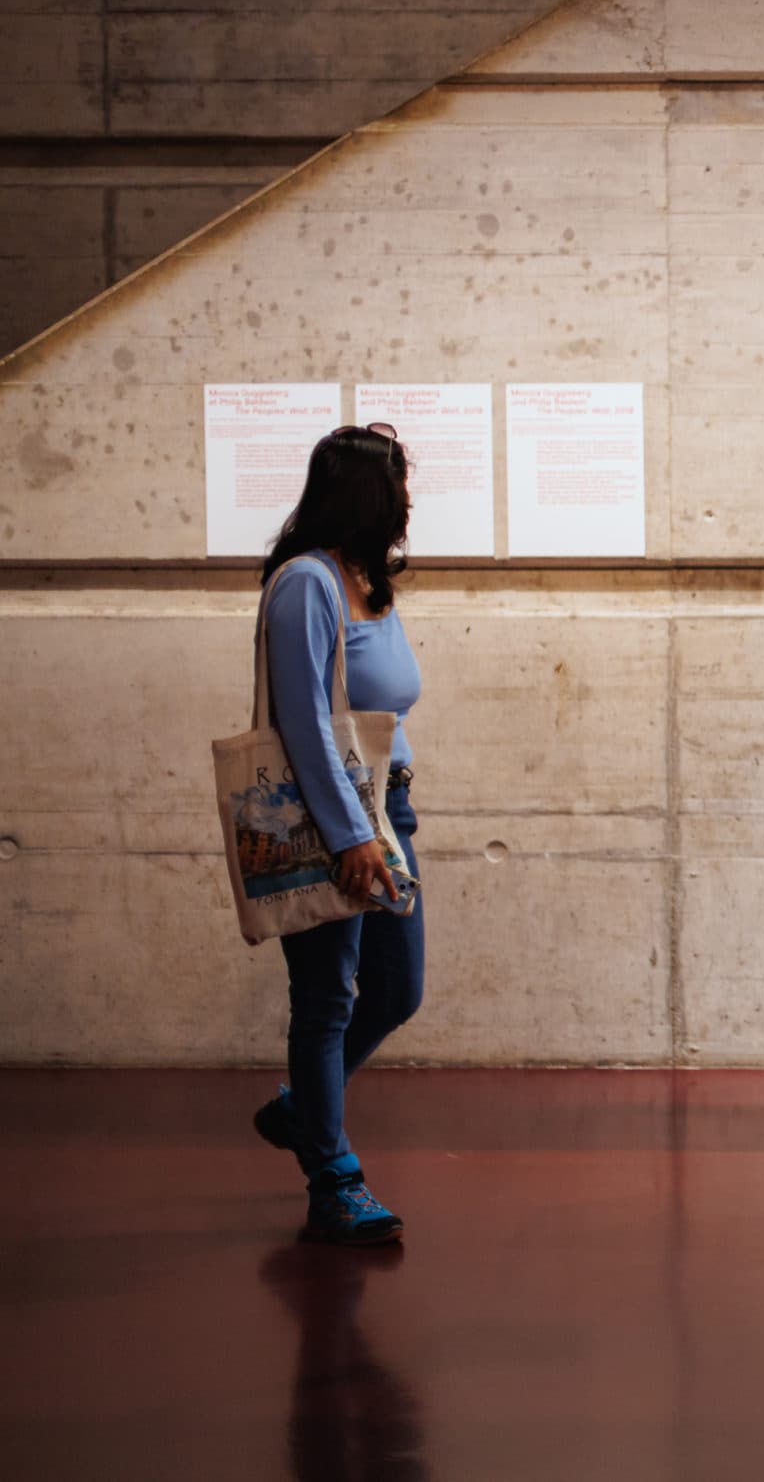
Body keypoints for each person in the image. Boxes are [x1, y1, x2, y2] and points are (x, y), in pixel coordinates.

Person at [248, 424, 425, 1246]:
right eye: (399, 487)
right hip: (335, 823)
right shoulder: (306, 585)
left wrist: (380, 823)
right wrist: (350, 835)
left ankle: (299, 1109)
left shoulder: (366, 581)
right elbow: (304, 723)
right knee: (324, 1001)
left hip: (388, 811)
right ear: (365, 495)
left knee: (395, 988)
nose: (409, 503)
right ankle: (333, 1177)